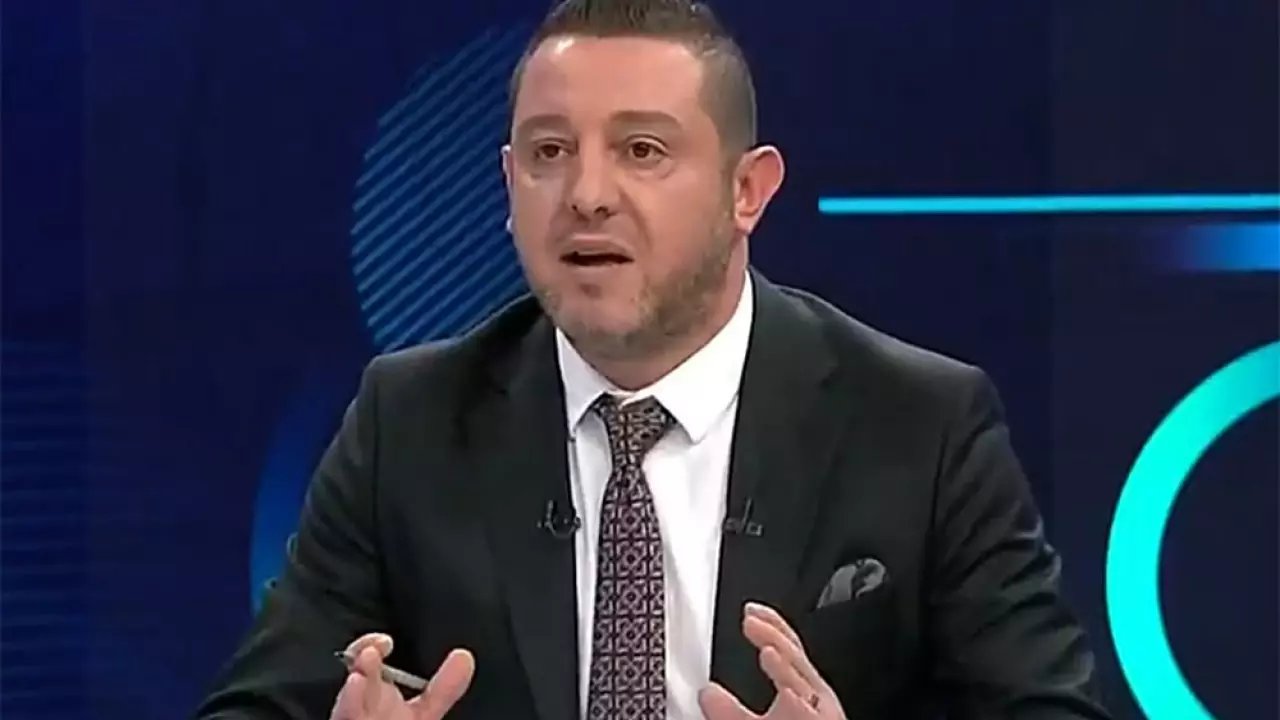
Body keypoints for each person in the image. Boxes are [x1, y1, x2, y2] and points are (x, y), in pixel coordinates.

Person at [195, 1, 1112, 718]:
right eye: (550, 152)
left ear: (747, 191)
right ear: (509, 186)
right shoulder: (409, 421)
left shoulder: (919, 425)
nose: (587, 194)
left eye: (641, 150)